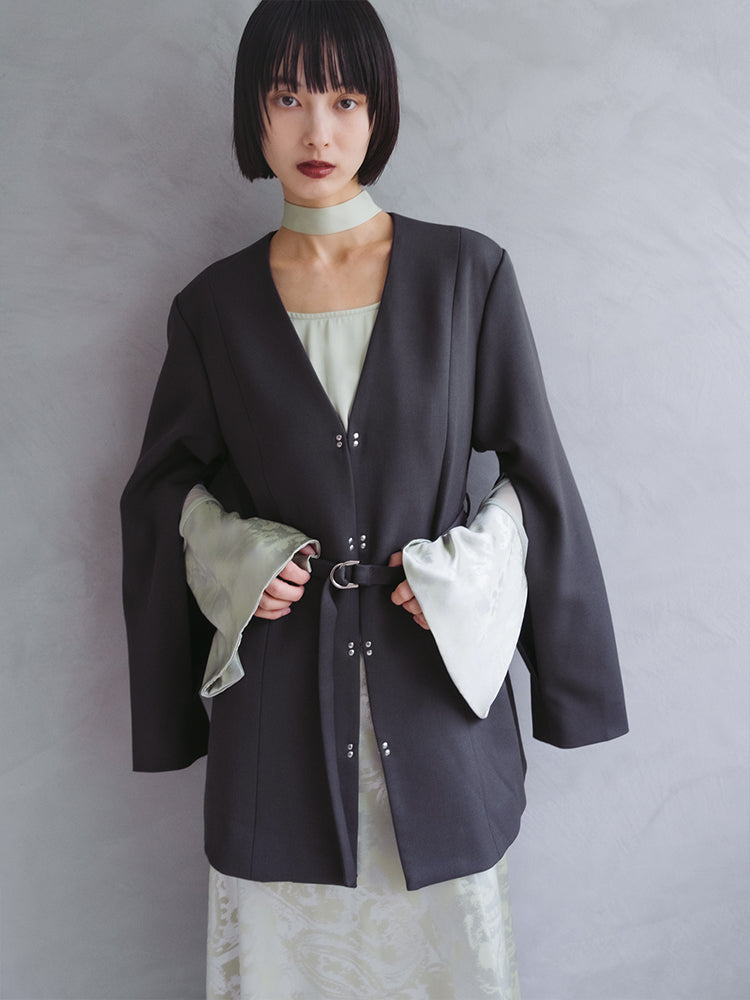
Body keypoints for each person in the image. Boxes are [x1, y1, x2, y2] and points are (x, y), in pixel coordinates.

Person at [120, 2, 628, 996]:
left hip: (435, 719)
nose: (318, 130)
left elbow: (535, 477)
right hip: (276, 732)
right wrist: (242, 560)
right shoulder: (212, 309)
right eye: (288, 97)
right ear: (254, 115)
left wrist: (463, 577)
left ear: (378, 110)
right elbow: (161, 491)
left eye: (345, 99)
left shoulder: (466, 276)